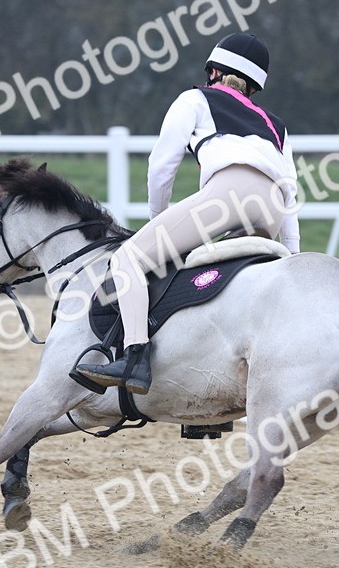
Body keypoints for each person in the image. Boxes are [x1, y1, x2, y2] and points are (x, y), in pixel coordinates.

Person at [77, 32, 301, 395]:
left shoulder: (195, 99)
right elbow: (291, 193)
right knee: (220, 282)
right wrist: (292, 254)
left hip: (227, 197)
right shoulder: (277, 125)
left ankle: (134, 357)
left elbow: (161, 166)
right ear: (255, 86)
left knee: (127, 262)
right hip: (273, 210)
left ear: (213, 70)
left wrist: (156, 220)